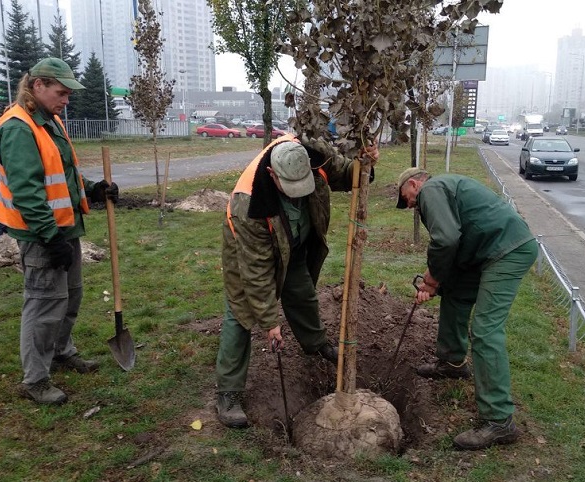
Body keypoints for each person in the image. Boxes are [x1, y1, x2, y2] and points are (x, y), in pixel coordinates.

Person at [216, 133, 378, 428]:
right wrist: (269, 321)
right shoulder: (249, 205)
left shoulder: (314, 154)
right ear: (271, 175)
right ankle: (228, 392)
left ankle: (315, 345)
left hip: (294, 241)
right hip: (249, 250)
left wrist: (366, 163)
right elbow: (257, 272)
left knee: (302, 293)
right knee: (241, 314)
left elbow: (347, 173)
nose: (297, 193)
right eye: (290, 188)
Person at [0, 58, 119, 405]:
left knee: (70, 296)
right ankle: (35, 379)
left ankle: (62, 350)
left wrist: (92, 188)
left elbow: (61, 175)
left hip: (65, 228)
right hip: (41, 233)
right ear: (38, 86)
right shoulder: (18, 128)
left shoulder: (50, 121)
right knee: (44, 304)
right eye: (61, 93)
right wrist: (50, 237)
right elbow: (28, 191)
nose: (66, 100)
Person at [395, 167, 538, 450]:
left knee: (485, 331)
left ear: (414, 183)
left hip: (507, 251)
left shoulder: (431, 190)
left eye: (406, 198)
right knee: (455, 294)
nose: (409, 204)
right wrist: (434, 282)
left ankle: (499, 421)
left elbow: (446, 239)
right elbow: (455, 241)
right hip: (484, 250)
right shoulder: (446, 189)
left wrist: (432, 278)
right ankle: (451, 362)